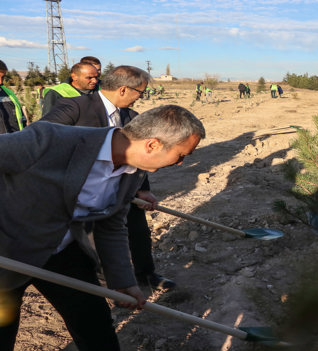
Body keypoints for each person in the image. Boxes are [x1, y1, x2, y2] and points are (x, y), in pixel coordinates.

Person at [0, 104, 205, 350]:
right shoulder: (49, 140)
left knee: (95, 330)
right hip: (7, 253)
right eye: (181, 155)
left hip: (63, 253)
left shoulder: (132, 170)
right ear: (152, 145)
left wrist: (122, 280)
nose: (181, 163)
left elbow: (111, 224)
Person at [41, 65, 177, 290]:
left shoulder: (132, 117)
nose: (141, 98)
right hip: (81, 191)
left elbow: (141, 156)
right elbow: (42, 139)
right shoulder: (75, 107)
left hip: (122, 186)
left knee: (138, 230)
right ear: (124, 89)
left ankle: (146, 273)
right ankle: (106, 282)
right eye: (140, 92)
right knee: (94, 242)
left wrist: (143, 188)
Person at [0, 60, 26, 134]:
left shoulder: (9, 93)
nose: (1, 81)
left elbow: (21, 117)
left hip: (15, 140)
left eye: (3, 77)